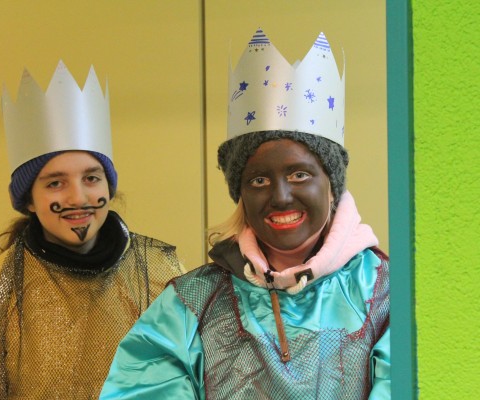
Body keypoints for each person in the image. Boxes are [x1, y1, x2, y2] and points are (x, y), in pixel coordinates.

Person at [100, 29, 390, 399]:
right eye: (258, 180)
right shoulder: (191, 304)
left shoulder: (384, 294)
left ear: (331, 185)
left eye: (299, 175)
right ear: (241, 195)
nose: (281, 197)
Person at [0, 61, 184, 399]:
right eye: (55, 183)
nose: (78, 198)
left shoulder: (161, 274)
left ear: (108, 187)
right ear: (29, 200)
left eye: (91, 178)